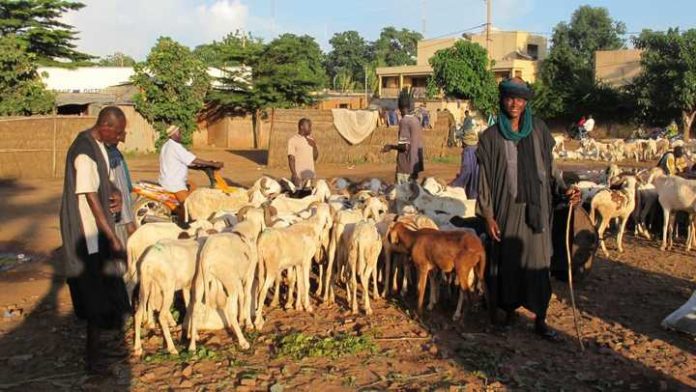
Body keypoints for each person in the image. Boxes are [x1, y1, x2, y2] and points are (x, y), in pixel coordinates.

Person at [476, 78, 580, 339]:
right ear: (502, 100)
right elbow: (485, 180)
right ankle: (509, 312)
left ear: (526, 102)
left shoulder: (539, 131)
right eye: (510, 98)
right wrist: (487, 215)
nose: (515, 103)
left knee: (539, 262)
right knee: (509, 260)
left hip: (538, 209)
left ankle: (540, 319)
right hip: (507, 209)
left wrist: (564, 188)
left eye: (520, 99)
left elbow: (551, 166)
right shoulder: (490, 137)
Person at [59, 106, 132, 373]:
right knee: (93, 295)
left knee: (105, 287)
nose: (121, 138)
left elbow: (106, 181)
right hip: (86, 232)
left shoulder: (100, 146)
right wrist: (112, 237)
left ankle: (102, 348)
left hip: (98, 230)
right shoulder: (83, 153)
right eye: (120, 132)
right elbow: (90, 198)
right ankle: (93, 361)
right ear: (105, 126)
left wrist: (116, 194)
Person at [159, 125, 223, 205]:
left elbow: (182, 161)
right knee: (189, 206)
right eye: (179, 133)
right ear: (174, 134)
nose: (180, 135)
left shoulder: (166, 145)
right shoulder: (175, 147)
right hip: (174, 184)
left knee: (192, 186)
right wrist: (213, 164)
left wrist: (200, 167)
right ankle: (183, 216)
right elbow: (193, 159)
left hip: (166, 180)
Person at [382, 91, 424, 184]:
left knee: (402, 195)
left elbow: (404, 146)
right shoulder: (416, 121)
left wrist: (391, 147)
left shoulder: (404, 122)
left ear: (400, 107)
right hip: (415, 167)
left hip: (405, 167)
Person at [106, 131, 136, 244]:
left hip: (122, 212)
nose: (126, 132)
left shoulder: (113, 151)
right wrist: (128, 221)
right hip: (120, 216)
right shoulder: (112, 156)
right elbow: (119, 189)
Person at [450, 113, 480, 198]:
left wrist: (455, 184)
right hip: (480, 186)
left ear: (464, 142)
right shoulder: (479, 149)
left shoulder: (467, 151)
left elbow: (466, 170)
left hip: (473, 188)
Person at [288, 118, 319, 188]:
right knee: (298, 197)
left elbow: (315, 157)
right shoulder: (293, 140)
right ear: (302, 127)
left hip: (310, 177)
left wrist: (314, 146)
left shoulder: (311, 140)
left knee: (309, 198)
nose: (311, 129)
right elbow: (291, 159)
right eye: (309, 126)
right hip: (299, 178)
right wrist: (294, 175)